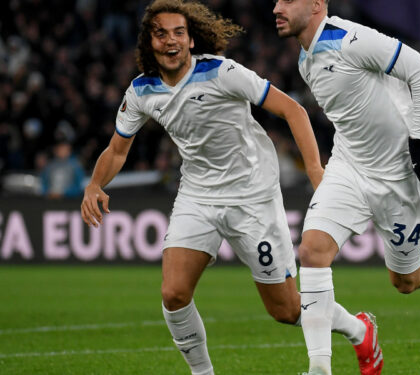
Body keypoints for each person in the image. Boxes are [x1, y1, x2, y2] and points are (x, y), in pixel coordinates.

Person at [80, 1, 364, 374]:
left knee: (287, 310)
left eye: (179, 33)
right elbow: (117, 149)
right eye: (161, 33)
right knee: (173, 294)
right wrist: (94, 184)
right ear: (149, 42)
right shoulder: (141, 91)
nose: (171, 41)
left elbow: (292, 110)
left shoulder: (221, 72)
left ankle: (359, 329)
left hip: (253, 197)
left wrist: (315, 171)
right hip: (197, 196)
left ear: (191, 39)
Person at [273, 1, 420, 374]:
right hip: (349, 166)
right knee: (311, 251)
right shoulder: (305, 61)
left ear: (316, 5)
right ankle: (319, 369)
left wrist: (419, 142)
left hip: (400, 173)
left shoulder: (351, 39)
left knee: (406, 280)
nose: (277, 7)